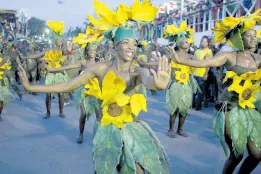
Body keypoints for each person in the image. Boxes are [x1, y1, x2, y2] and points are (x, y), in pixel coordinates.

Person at [18, 0, 170, 173]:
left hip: (131, 128)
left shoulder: (137, 71)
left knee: (138, 170)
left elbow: (148, 79)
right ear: (115, 44)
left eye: (134, 44)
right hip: (106, 128)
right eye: (126, 42)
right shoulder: (101, 68)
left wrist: (157, 84)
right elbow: (68, 85)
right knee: (104, 169)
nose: (131, 47)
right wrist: (30, 87)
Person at [169, 10, 261, 173]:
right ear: (239, 37)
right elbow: (207, 62)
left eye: (255, 34)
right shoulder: (229, 56)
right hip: (228, 108)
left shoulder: (258, 58)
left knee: (257, 154)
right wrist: (181, 60)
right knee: (237, 154)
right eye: (249, 35)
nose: (254, 37)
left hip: (249, 109)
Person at [163, 21, 200, 138]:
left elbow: (201, 64)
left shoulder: (191, 56)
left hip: (187, 85)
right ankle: (171, 129)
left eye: (188, 42)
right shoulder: (173, 55)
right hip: (175, 84)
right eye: (184, 42)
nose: (187, 43)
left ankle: (180, 129)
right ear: (178, 44)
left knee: (184, 108)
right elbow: (161, 62)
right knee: (174, 107)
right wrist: (145, 64)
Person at [192, 36, 213, 110]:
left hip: (202, 74)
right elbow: (193, 61)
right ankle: (193, 104)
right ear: (200, 42)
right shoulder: (197, 51)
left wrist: (206, 74)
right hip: (194, 74)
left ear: (207, 43)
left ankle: (198, 105)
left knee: (200, 91)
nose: (204, 43)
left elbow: (208, 64)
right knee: (193, 90)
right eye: (202, 41)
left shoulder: (208, 51)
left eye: (205, 41)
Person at [0, 57, 14, 121]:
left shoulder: (5, 59)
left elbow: (7, 71)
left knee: (1, 101)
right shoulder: (4, 60)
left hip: (2, 82)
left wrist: (11, 79)